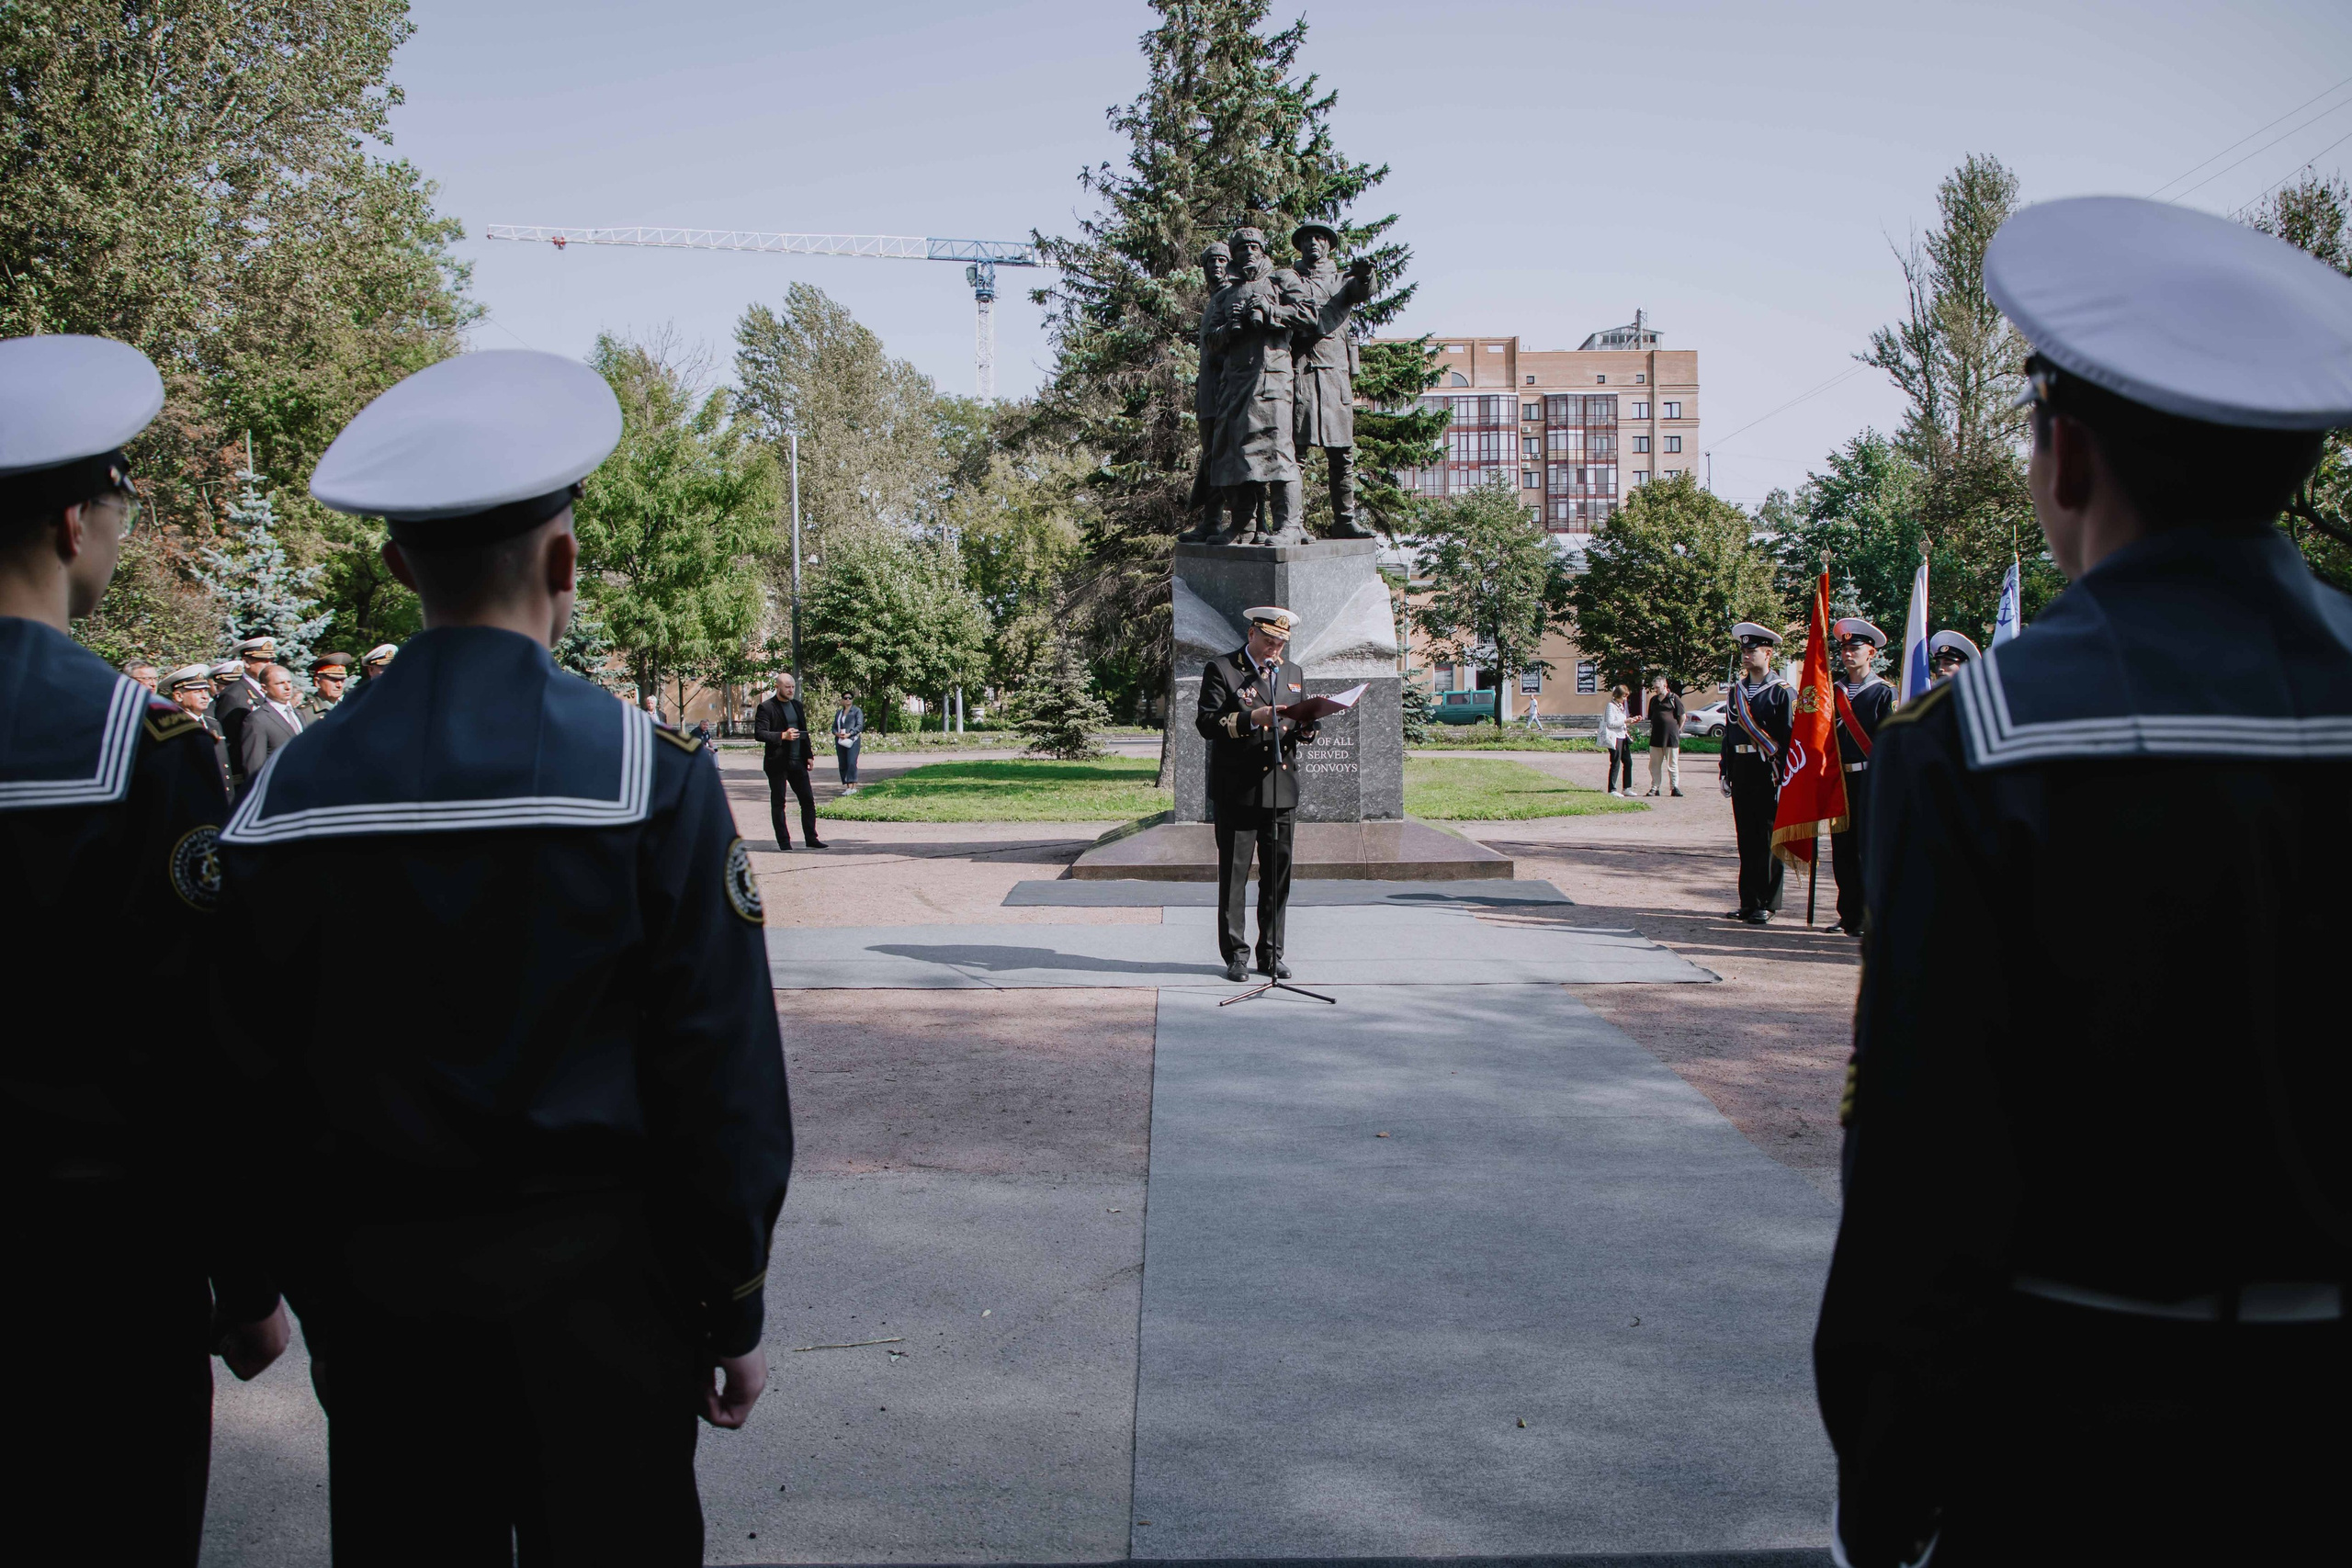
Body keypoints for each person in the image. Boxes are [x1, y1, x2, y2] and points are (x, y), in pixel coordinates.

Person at [1816, 195, 2352, 1565]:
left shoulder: (1981, 743)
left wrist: (1888, 1485)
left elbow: (1927, 1168)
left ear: (2064, 455)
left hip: (2080, 1430)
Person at [218, 348, 795, 1563]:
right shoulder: (650, 777)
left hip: (382, 1309)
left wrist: (256, 1279)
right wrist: (730, 1295)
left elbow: (242, 1078)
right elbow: (722, 1073)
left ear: (395, 567)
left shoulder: (283, 796)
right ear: (566, 559)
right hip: (606, 1302)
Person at [0, 333, 288, 1564]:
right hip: (94, 1269)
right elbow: (197, 1040)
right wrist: (245, 1279)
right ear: (76, 520)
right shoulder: (143, 752)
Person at [1195, 604, 1320, 981]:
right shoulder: (1223, 669)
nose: (1274, 652)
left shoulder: (1293, 672)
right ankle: (1236, 955)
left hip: (1281, 790)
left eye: (1280, 644)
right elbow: (1207, 723)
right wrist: (1253, 718)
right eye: (1269, 642)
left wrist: (1307, 729)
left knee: (1277, 878)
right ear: (1252, 635)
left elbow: (1296, 723)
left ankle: (1271, 953)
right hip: (1238, 790)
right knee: (1234, 877)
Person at [1287, 220, 1377, 539]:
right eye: (1308, 238)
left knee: (1342, 454)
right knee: (1294, 453)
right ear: (1300, 246)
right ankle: (1291, 523)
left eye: (1320, 237)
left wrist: (1366, 274)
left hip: (1335, 377)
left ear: (1328, 245)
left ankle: (1345, 520)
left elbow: (1361, 290)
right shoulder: (1289, 279)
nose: (1314, 242)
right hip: (1302, 374)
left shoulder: (1341, 281)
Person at [1826, 618, 1893, 936]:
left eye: (1855, 648)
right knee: (1843, 849)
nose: (1848, 654)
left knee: (1868, 850)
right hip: (1841, 781)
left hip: (1872, 781)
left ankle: (1869, 915)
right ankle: (1848, 914)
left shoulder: (1884, 693)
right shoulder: (1831, 691)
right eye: (1844, 648)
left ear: (1871, 653)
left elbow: (1891, 741)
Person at [1721, 622, 1791, 925]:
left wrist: (1786, 778)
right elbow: (1729, 734)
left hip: (1769, 771)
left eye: (1752, 651)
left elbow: (1790, 739)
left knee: (1768, 838)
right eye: (1744, 651)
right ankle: (1748, 900)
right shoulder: (1736, 691)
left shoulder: (1782, 692)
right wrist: (1725, 769)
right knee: (1746, 837)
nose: (1746, 656)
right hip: (1742, 768)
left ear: (1768, 653)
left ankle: (1767, 901)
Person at [753, 672, 825, 850]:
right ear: (777, 687)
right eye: (787, 687)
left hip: (798, 761)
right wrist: (782, 736)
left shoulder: (797, 706)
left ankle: (811, 838)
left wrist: (808, 755)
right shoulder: (766, 707)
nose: (791, 690)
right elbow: (759, 734)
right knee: (779, 803)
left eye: (793, 686)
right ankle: (784, 842)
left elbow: (804, 732)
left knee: (807, 800)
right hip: (777, 763)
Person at [210, 634, 274, 794]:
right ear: (246, 662)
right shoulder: (234, 694)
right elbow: (229, 741)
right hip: (245, 779)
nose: (268, 665)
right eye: (263, 661)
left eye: (271, 660)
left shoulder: (267, 691)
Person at [236, 662, 305, 793]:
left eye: (289, 682)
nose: (287, 687)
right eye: (279, 683)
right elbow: (254, 767)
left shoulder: (298, 714)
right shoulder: (257, 719)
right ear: (264, 688)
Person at [163, 663, 233, 789]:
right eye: (197, 692)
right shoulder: (173, 727)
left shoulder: (213, 724)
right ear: (179, 696)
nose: (205, 697)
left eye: (205, 691)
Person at [1645, 675, 1685, 796]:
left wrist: (1677, 730)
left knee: (1672, 764)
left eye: (1657, 687)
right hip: (1656, 736)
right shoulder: (1654, 700)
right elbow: (1651, 716)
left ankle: (1674, 787)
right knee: (1654, 764)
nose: (1655, 690)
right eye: (1654, 688)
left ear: (1664, 686)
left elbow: (1682, 717)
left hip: (1671, 737)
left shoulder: (1674, 698)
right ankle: (1655, 787)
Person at [1600, 683, 1633, 795]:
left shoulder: (1620, 706)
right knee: (1615, 762)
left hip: (1623, 736)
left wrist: (1631, 721)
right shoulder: (1611, 706)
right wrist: (1625, 721)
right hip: (1614, 737)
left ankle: (1627, 787)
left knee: (1628, 762)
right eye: (1624, 696)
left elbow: (1621, 721)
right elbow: (1610, 723)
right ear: (1618, 695)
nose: (1625, 698)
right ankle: (1612, 789)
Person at [302, 652, 354, 722]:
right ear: (317, 682)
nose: (339, 685)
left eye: (342, 680)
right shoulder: (304, 713)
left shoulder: (349, 709)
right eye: (333, 680)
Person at [832, 690, 865, 793]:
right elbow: (833, 728)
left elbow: (859, 726)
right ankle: (848, 786)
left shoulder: (856, 711)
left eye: (850, 698)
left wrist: (849, 734)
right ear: (842, 700)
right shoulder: (839, 713)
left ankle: (853, 786)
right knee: (843, 763)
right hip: (841, 740)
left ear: (852, 700)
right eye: (845, 698)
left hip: (852, 740)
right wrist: (837, 734)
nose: (847, 700)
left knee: (851, 762)